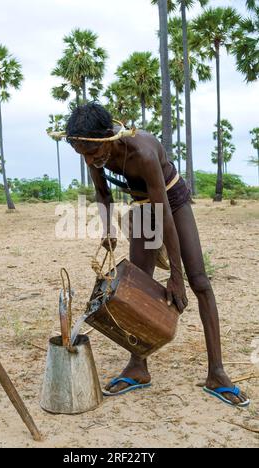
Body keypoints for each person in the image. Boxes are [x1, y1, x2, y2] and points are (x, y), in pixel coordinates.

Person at [64, 102, 249, 407]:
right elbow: (103, 193)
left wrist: (177, 276)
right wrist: (108, 228)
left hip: (171, 200)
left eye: (93, 153)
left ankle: (217, 372)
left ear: (109, 137)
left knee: (199, 281)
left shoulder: (144, 154)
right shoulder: (92, 151)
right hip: (141, 206)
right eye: (83, 154)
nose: (90, 160)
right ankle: (138, 367)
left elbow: (163, 213)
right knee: (136, 287)